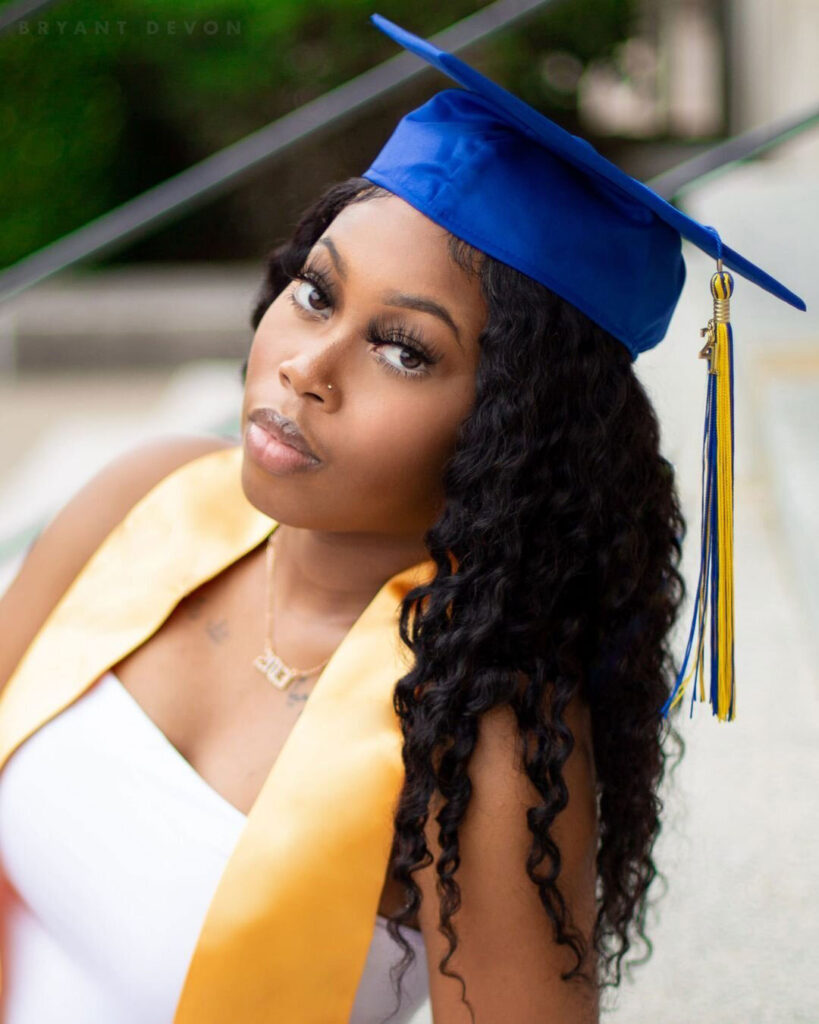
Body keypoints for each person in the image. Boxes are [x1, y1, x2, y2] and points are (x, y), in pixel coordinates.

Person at [0, 14, 805, 1024]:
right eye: (314, 292)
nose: (307, 364)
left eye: (404, 350)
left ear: (514, 431)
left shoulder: (474, 733)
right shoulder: (145, 500)